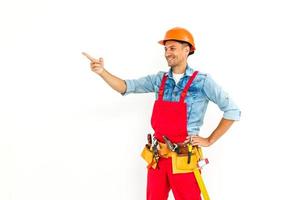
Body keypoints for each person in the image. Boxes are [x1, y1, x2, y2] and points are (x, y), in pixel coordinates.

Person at [82, 27, 241, 200]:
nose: (167, 53)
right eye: (165, 49)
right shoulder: (159, 79)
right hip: (157, 159)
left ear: (186, 49)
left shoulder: (202, 82)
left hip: (184, 159)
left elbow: (232, 111)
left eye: (172, 48)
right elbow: (126, 86)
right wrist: (102, 73)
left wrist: (209, 140)